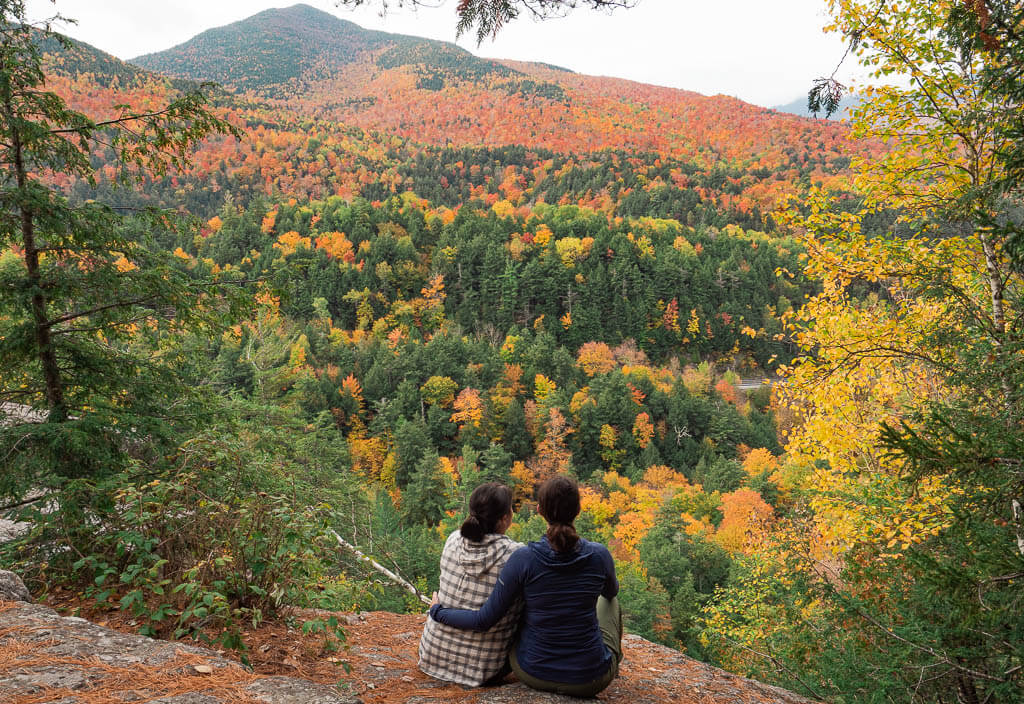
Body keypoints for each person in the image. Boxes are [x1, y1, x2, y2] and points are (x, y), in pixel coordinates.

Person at [429, 474, 623, 698]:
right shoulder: (599, 555)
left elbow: (484, 620)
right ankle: (612, 663)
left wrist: (437, 611)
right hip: (589, 680)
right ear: (578, 510)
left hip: (532, 672)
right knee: (610, 600)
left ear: (539, 510)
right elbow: (611, 592)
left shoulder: (524, 558)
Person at [418, 481, 522, 686]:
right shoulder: (515, 554)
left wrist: (437, 611)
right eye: (511, 508)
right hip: (483, 668)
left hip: (432, 655)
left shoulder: (453, 539)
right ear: (504, 519)